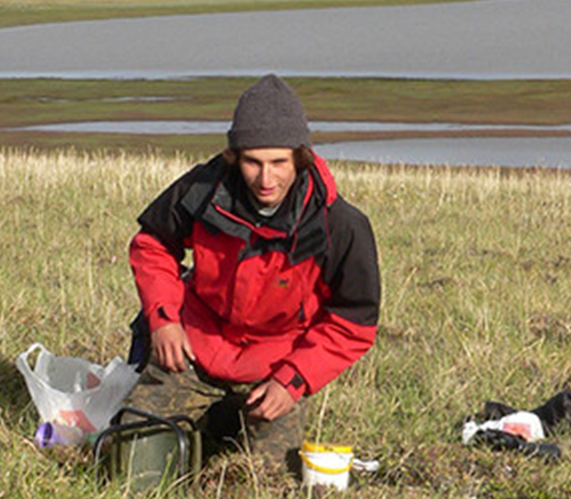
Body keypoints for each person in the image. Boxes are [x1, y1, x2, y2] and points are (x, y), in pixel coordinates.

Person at [125, 74, 381, 473]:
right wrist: (163, 320)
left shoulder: (340, 225)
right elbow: (152, 245)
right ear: (234, 156)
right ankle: (209, 425)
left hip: (275, 369)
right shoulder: (202, 189)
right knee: (134, 465)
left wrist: (294, 380)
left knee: (267, 479)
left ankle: (221, 424)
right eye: (252, 162)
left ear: (300, 156)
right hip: (192, 349)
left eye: (279, 162)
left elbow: (354, 323)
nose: (266, 179)